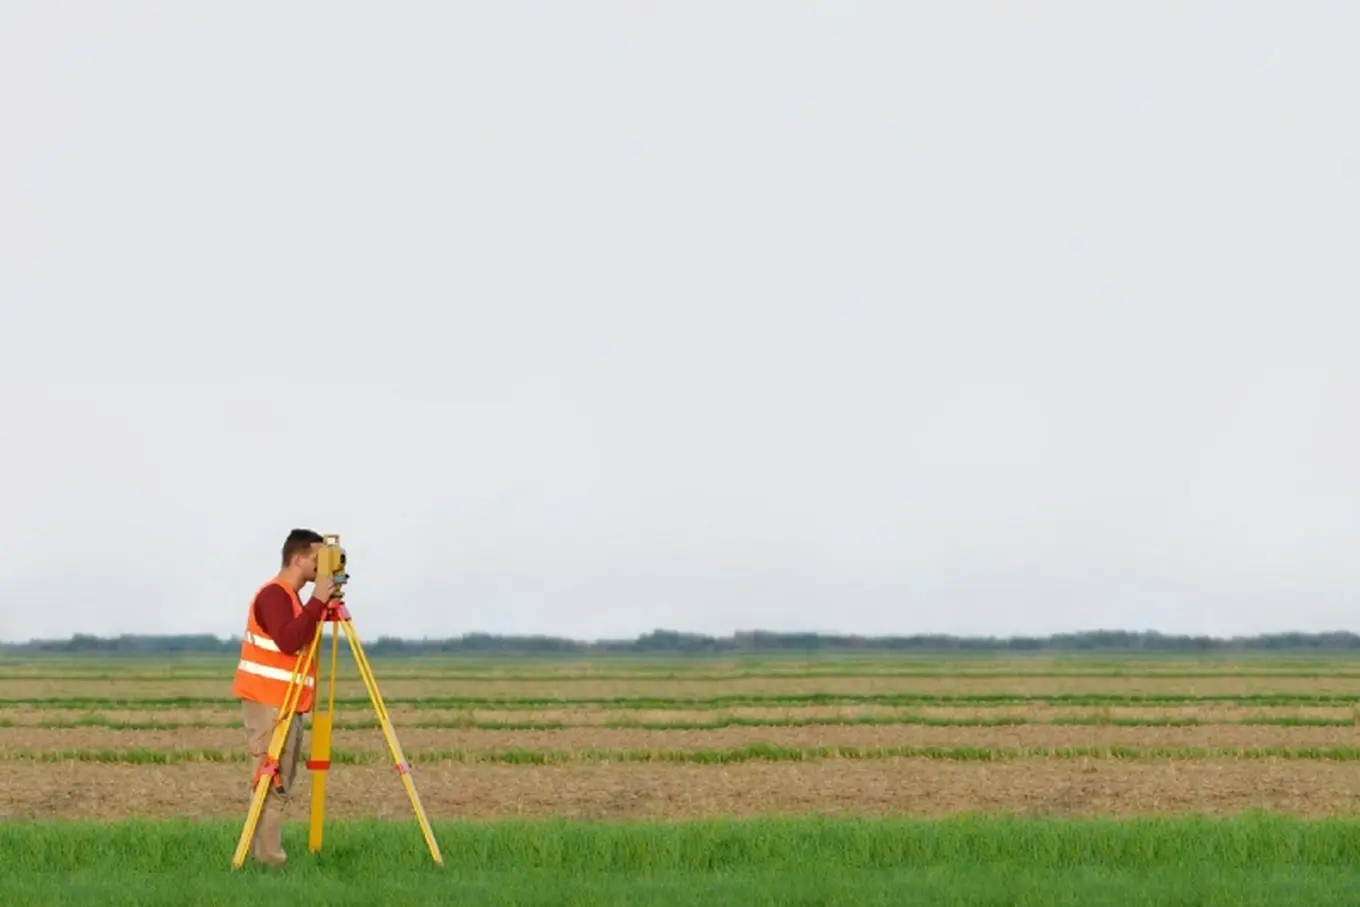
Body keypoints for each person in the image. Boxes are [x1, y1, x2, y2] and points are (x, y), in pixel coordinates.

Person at [230, 528, 338, 866]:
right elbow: (289, 641)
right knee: (271, 782)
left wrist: (319, 605)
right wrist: (319, 600)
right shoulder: (274, 596)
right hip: (268, 703)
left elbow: (298, 637)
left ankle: (265, 856)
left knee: (279, 783)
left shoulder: (292, 599)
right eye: (319, 559)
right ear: (298, 558)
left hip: (285, 702)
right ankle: (269, 859)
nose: (324, 568)